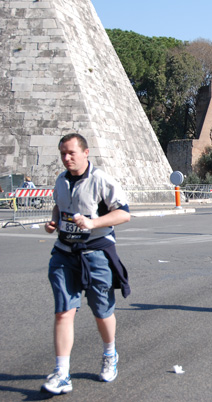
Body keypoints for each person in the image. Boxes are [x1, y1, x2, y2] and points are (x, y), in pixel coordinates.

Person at [42, 133, 130, 395]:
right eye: (62, 154)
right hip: (64, 253)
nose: (66, 158)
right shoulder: (60, 180)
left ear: (85, 152)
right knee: (63, 311)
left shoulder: (100, 179)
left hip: (96, 253)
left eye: (71, 153)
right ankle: (61, 373)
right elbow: (59, 208)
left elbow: (124, 213)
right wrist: (53, 222)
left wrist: (92, 223)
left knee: (101, 311)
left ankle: (110, 353)